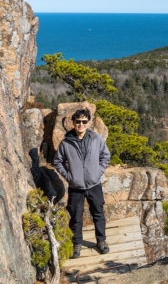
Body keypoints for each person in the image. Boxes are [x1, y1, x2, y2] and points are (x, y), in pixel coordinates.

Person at [54, 108, 111, 259]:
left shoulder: (96, 139)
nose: (80, 124)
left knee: (98, 214)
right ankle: (77, 244)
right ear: (73, 123)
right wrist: (69, 177)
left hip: (94, 185)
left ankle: (101, 241)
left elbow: (106, 156)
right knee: (75, 216)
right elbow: (58, 161)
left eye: (84, 122)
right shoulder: (66, 143)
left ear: (89, 123)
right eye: (78, 121)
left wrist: (98, 172)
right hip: (75, 187)